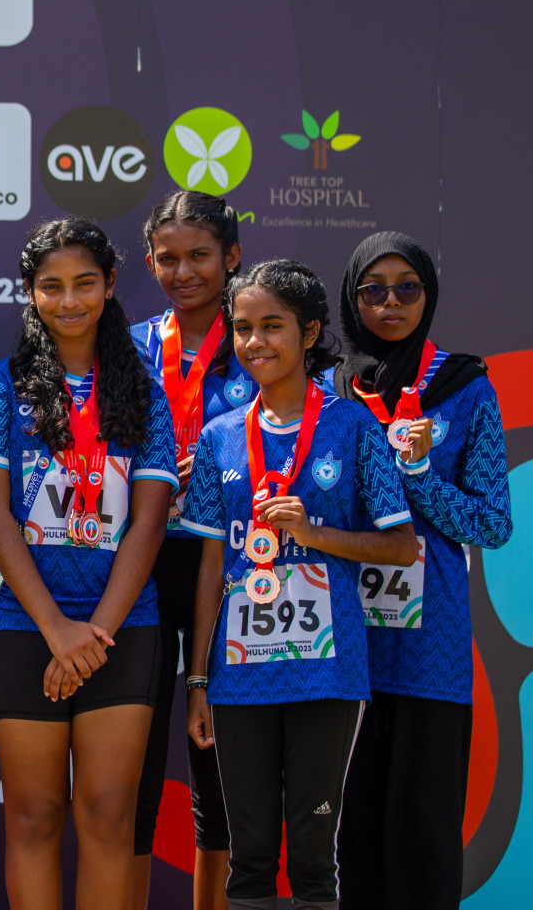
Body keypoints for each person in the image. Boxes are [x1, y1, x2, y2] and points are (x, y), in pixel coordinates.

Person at [182, 259, 419, 910]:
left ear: (310, 332)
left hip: (327, 672)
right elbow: (208, 568)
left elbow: (401, 546)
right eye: (242, 328)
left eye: (272, 326)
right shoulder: (219, 438)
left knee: (314, 863)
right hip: (238, 675)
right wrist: (198, 680)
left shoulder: (353, 426)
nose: (255, 341)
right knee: (250, 861)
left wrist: (314, 535)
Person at [0, 217, 176, 910]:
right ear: (29, 294)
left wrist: (95, 634)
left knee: (110, 815)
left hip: (123, 625)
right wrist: (56, 629)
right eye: (51, 286)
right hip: (24, 625)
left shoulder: (144, 387)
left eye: (85, 283)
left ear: (111, 285)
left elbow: (148, 520)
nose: (70, 299)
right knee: (33, 815)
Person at [332, 233, 512, 910]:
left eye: (408, 287)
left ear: (429, 296)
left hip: (428, 642)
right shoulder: (329, 388)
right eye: (372, 289)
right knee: (346, 830)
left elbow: (492, 525)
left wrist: (415, 476)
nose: (391, 302)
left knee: (425, 829)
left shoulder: (466, 389)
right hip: (338, 637)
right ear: (352, 299)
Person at [128, 191, 249, 909]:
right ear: (148, 262)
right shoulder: (131, 345)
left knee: (217, 766)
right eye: (168, 259)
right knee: (134, 763)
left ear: (232, 258)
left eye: (200, 255)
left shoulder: (261, 339)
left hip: (224, 566)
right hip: (136, 566)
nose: (183, 272)